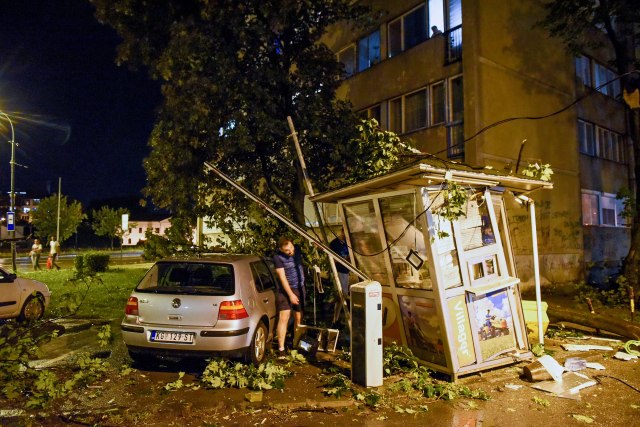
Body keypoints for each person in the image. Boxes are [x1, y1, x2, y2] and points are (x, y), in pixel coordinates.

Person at [273, 236, 305, 356]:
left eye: (291, 248)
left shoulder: (297, 249)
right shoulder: (277, 257)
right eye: (287, 250)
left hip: (299, 288)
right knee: (284, 317)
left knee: (298, 317)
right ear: (281, 249)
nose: (291, 251)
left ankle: (295, 343)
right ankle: (281, 349)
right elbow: (282, 277)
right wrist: (290, 294)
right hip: (285, 290)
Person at [329, 229, 351, 298]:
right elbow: (332, 259)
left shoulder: (347, 243)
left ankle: (339, 308)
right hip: (338, 271)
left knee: (344, 294)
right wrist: (344, 258)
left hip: (346, 271)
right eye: (345, 233)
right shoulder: (334, 243)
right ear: (342, 232)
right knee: (340, 294)